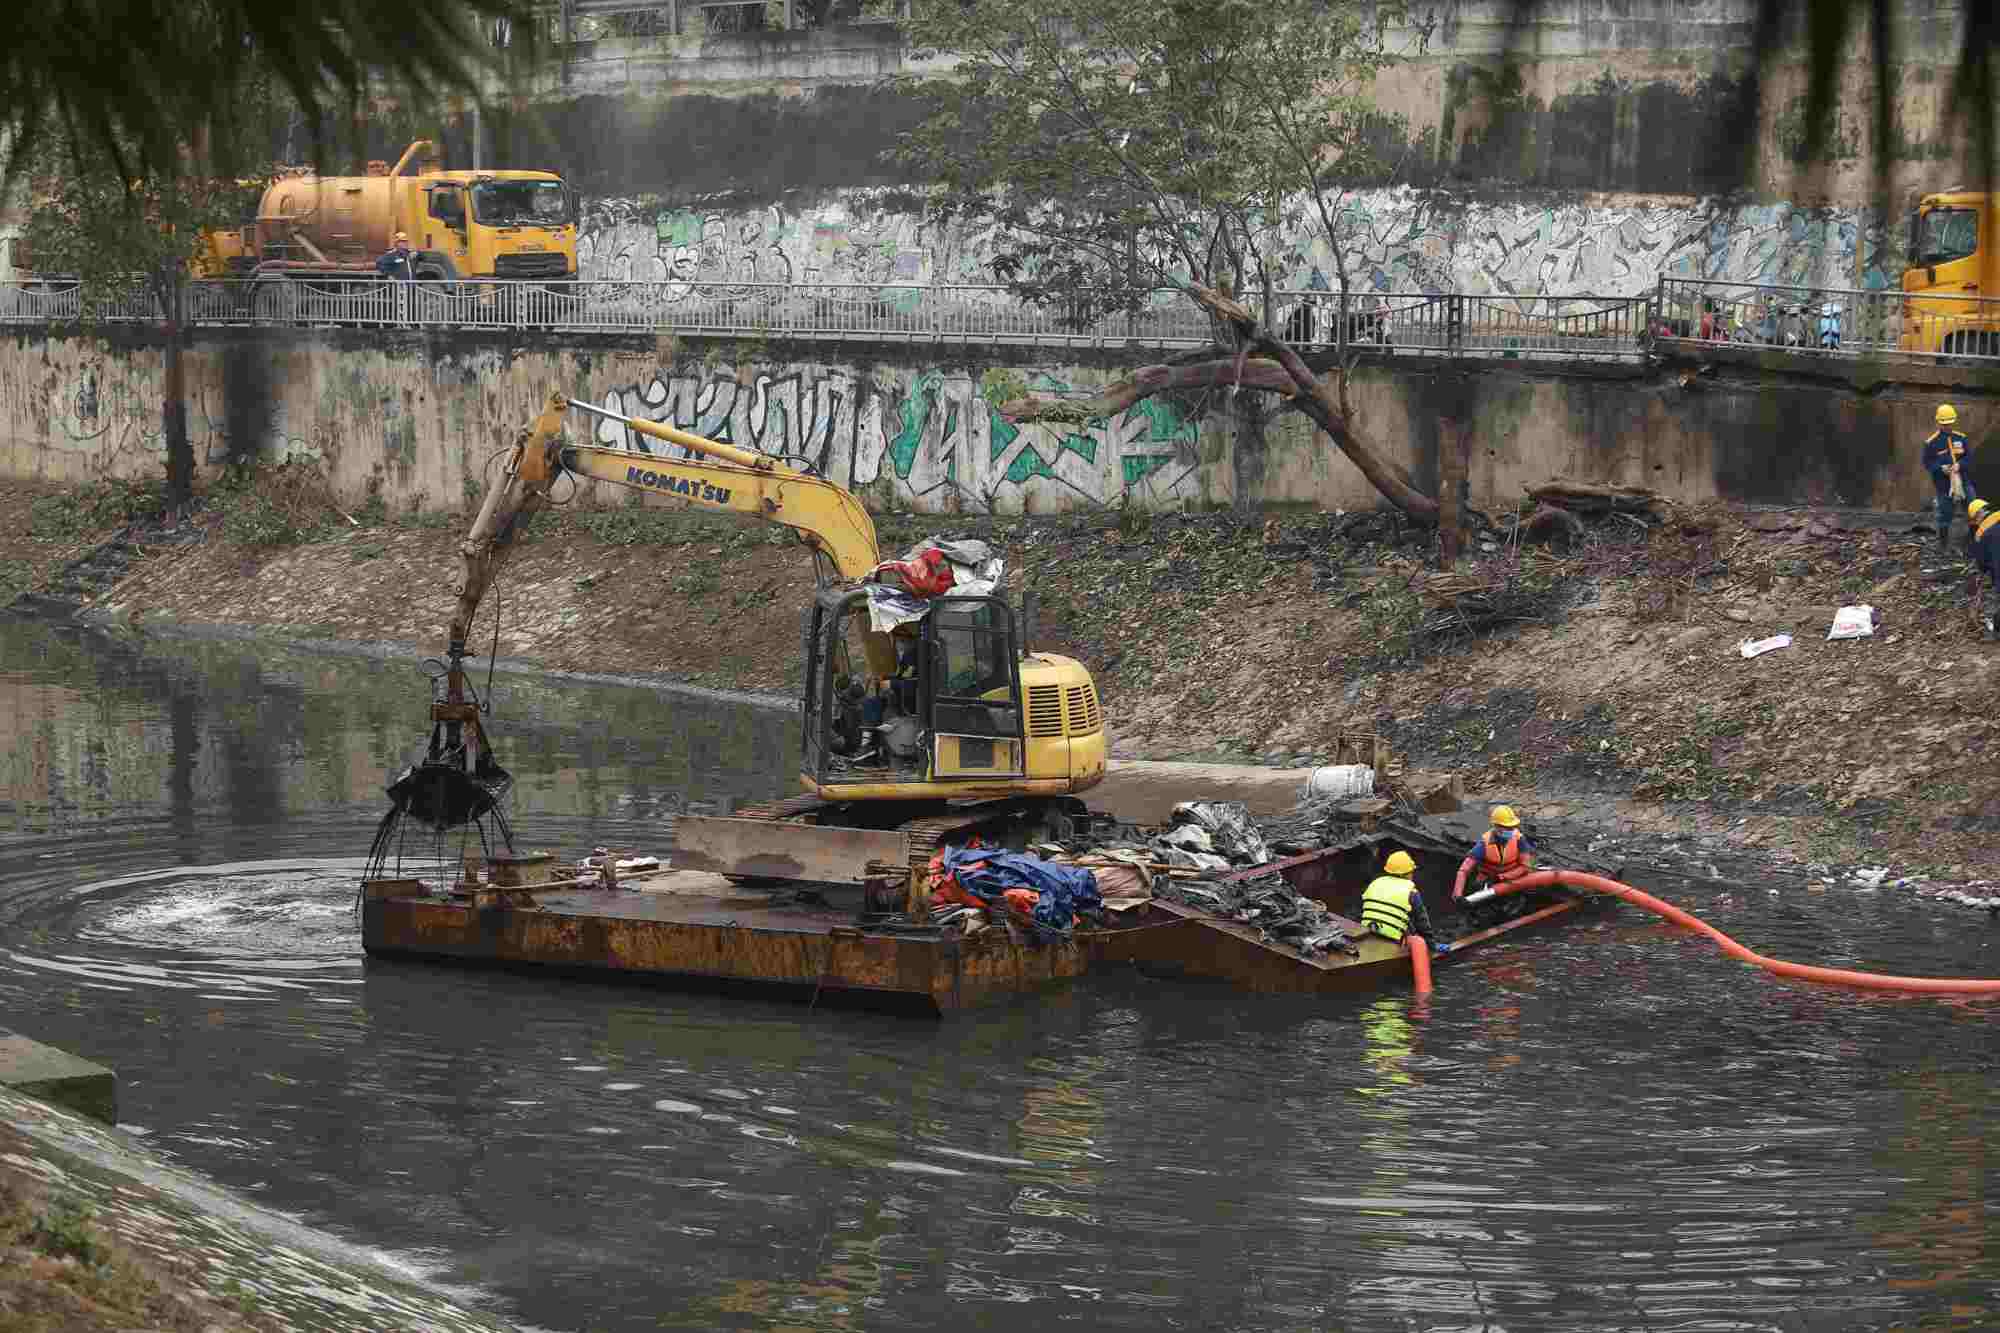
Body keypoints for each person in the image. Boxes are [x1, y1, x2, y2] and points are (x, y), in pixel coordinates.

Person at [1452, 804, 1536, 906]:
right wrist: (1458, 895)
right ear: (1496, 826)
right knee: (1476, 894)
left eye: (1512, 827)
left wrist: (1502, 877)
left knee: (1519, 898)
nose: (1510, 831)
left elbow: (1526, 866)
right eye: (1506, 827)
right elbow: (1463, 871)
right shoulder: (1484, 844)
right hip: (1487, 878)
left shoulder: (1519, 839)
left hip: (1513, 876)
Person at [1924, 403, 1975, 555]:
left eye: (1950, 423)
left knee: (1973, 510)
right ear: (1938, 422)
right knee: (1945, 514)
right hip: (1944, 486)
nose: (1947, 426)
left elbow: (1969, 457)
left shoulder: (1961, 438)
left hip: (1964, 482)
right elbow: (1927, 463)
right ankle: (1943, 545)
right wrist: (1941, 469)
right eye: (1944, 423)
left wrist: (1960, 464)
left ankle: (1974, 542)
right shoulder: (1931, 442)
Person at [1360, 850, 1437, 946]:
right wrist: (1432, 944)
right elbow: (1422, 923)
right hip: (1393, 939)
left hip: (1367, 933)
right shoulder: (1411, 892)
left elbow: (1367, 908)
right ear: (1405, 873)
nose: (1412, 874)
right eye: (1411, 872)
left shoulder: (1375, 883)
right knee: (1417, 939)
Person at [1967, 499, 2000, 639]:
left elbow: (1983, 562)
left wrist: (1981, 572)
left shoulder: (1982, 534)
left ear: (1979, 515)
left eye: (1975, 521)